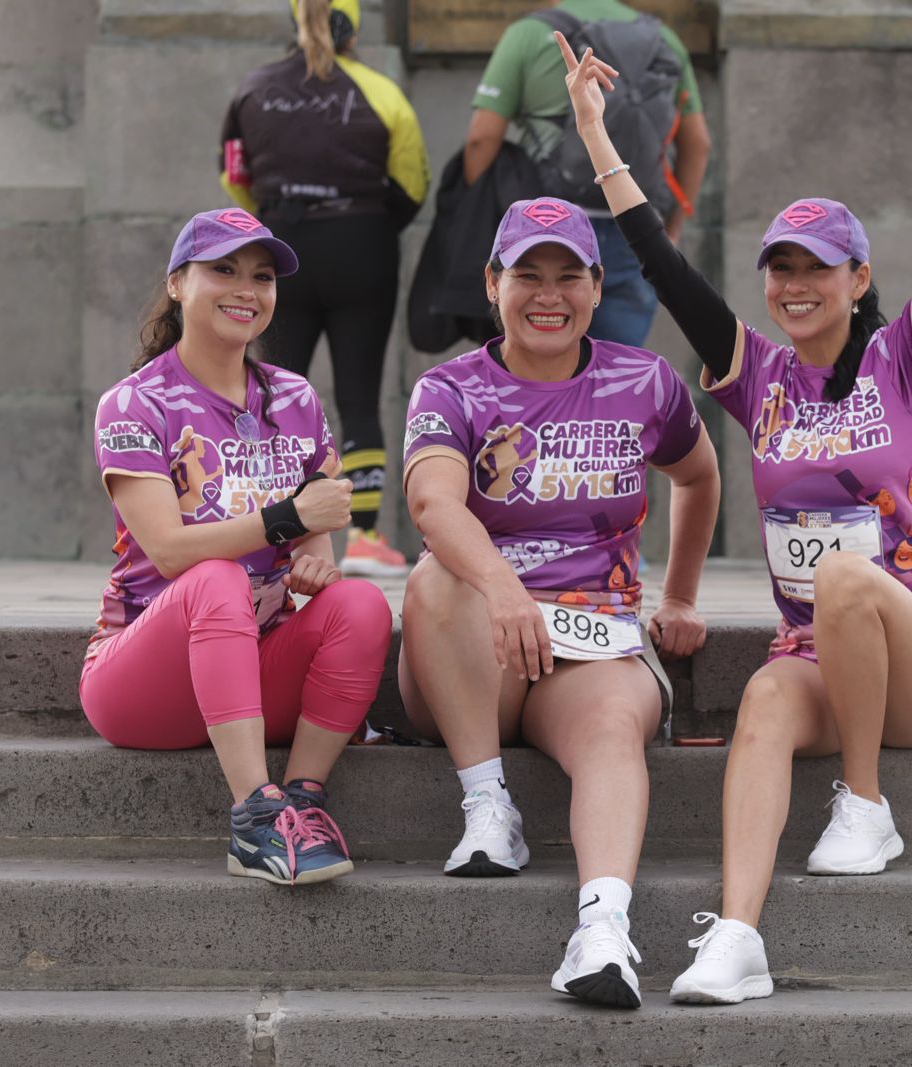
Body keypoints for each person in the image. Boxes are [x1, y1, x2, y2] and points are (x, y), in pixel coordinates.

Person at [559, 28, 912, 1002]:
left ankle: (865, 802)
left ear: (858, 280)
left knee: (845, 577)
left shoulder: (903, 356)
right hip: (819, 659)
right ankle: (738, 937)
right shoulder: (755, 375)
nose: (793, 285)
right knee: (765, 697)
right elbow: (658, 259)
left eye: (816, 267)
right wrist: (594, 132)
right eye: (779, 268)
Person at [398, 196, 721, 1008]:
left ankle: (603, 929)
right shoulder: (449, 387)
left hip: (590, 643)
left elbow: (699, 474)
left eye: (568, 276)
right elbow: (433, 504)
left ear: (597, 285)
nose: (549, 295)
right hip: (475, 648)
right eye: (527, 275)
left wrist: (681, 594)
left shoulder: (643, 379)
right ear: (492, 283)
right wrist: (503, 588)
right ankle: (488, 807)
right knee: (434, 576)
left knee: (612, 724)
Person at [82, 207, 393, 887]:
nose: (245, 289)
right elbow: (169, 551)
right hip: (142, 685)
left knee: (363, 605)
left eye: (262, 276)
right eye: (223, 270)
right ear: (177, 283)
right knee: (216, 576)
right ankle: (255, 815)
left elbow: (317, 532)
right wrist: (286, 517)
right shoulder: (134, 403)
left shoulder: (295, 397)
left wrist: (315, 564)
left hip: (252, 670)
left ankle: (301, 802)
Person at [220, 0, 429, 577]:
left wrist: (272, 218)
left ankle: (269, 527)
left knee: (269, 394)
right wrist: (369, 222)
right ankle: (363, 536)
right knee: (360, 394)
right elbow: (413, 182)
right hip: (362, 244)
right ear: (354, 31)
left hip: (279, 247)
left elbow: (234, 176)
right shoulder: (381, 92)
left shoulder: (252, 90)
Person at [463, 0, 711, 348]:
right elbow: (697, 144)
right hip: (634, 229)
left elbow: (481, 139)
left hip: (541, 232)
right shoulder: (665, 39)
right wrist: (668, 232)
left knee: (537, 359)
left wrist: (479, 222)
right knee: (618, 364)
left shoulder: (529, 35)